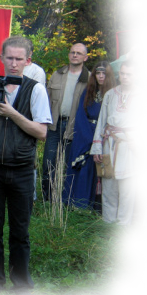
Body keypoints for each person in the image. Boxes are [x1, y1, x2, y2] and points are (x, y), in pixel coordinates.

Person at [0, 36, 52, 295]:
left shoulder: (36, 90)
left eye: (20, 59)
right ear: (2, 57)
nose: (15, 63)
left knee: (20, 231)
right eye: (10, 58)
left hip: (20, 170)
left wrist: (11, 113)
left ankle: (22, 286)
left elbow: (41, 132)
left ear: (28, 61)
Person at [90, 60, 147, 226]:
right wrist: (97, 148)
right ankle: (108, 223)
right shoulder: (110, 94)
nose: (125, 77)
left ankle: (123, 225)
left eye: (129, 74)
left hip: (129, 147)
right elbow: (101, 122)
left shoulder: (144, 97)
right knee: (108, 186)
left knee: (127, 190)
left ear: (137, 75)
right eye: (122, 73)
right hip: (109, 143)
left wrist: (138, 142)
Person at [41, 43, 90, 202]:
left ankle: (65, 200)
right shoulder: (57, 74)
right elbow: (46, 100)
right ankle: (47, 199)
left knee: (69, 165)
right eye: (72, 52)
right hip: (54, 125)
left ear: (85, 57)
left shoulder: (89, 79)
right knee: (48, 164)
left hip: (74, 128)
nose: (75, 55)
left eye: (79, 53)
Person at [65, 61, 116, 210]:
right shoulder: (89, 92)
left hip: (106, 136)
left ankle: (99, 209)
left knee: (103, 173)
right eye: (98, 73)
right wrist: (89, 140)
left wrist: (102, 138)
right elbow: (81, 115)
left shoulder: (114, 93)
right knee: (85, 169)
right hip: (85, 134)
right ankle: (80, 206)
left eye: (104, 74)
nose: (100, 76)